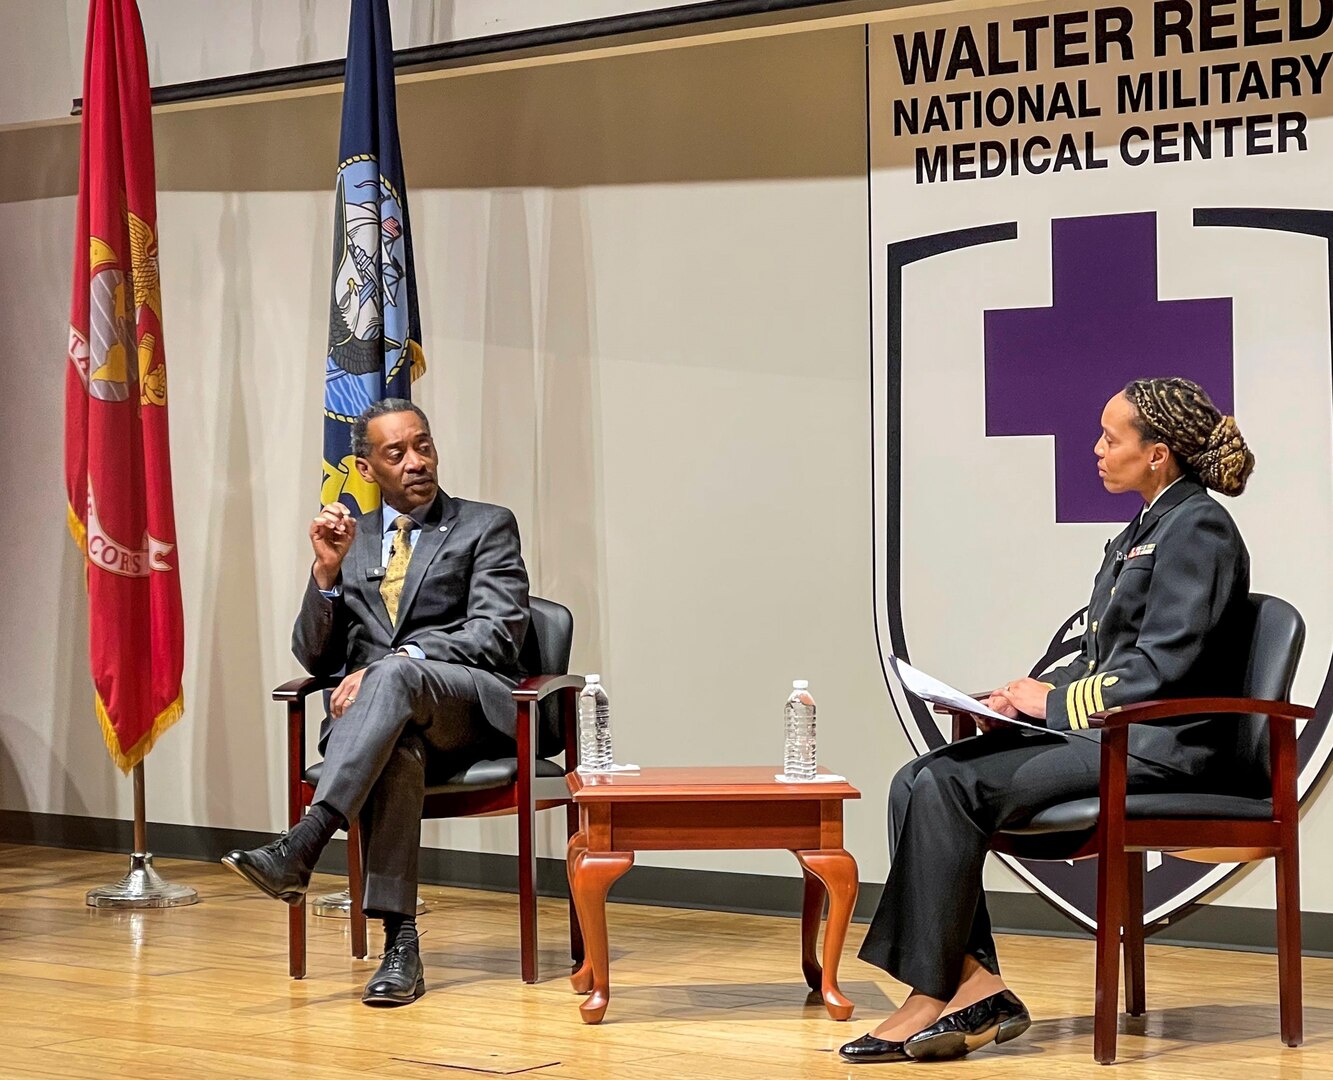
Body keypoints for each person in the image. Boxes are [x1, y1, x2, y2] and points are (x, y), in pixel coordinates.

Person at [842, 377, 1257, 1063]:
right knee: (915, 779)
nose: (1095, 449)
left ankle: (932, 994)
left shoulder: (1198, 528)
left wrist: (1055, 706)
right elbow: (1104, 654)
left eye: (1109, 438)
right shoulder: (1145, 528)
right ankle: (972, 983)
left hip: (1162, 746)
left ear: (1157, 454)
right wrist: (1022, 695)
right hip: (1118, 734)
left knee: (946, 785)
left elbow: (1163, 669)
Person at [223, 398, 530, 1007]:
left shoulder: (485, 524)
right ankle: (401, 945)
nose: (416, 461)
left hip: (463, 708)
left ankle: (305, 842)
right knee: (399, 748)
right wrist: (326, 578)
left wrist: (403, 660)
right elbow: (313, 658)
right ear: (366, 470)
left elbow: (498, 632)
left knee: (392, 676)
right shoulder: (350, 539)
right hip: (384, 730)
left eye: (423, 445)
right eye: (397, 453)